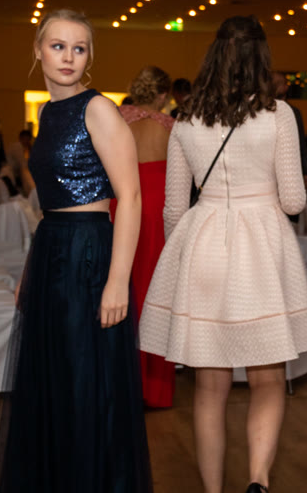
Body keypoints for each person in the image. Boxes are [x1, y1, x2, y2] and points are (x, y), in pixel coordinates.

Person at [139, 15, 307, 493]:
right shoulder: (278, 114)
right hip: (262, 248)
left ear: (213, 55)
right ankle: (258, 480)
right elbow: (293, 201)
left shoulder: (186, 119)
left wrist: (185, 252)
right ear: (262, 58)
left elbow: (174, 208)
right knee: (268, 379)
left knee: (209, 388)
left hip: (204, 242)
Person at [0, 9, 151, 492]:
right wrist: (30, 270)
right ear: (38, 50)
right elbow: (50, 203)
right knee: (53, 381)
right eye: (57, 46)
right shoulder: (46, 112)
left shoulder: (97, 109)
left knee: (84, 382)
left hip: (89, 254)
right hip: (52, 249)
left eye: (78, 49)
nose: (68, 57)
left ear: (89, 57)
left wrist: (117, 281)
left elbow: (131, 197)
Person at [110, 66, 177, 408]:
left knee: (122, 285)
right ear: (163, 95)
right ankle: (154, 388)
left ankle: (119, 383)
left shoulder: (117, 121)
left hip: (120, 204)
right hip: (157, 208)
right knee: (155, 291)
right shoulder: (170, 127)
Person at [272, 70, 307, 183]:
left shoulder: (294, 112)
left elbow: (301, 141)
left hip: (288, 167)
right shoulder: (262, 111)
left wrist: (306, 171)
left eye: (279, 83)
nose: (275, 86)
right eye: (273, 83)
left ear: (286, 87)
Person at [5, 129, 35, 196]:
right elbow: (22, 163)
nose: (27, 141)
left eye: (28, 140)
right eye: (25, 139)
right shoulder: (17, 146)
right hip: (10, 175)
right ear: (21, 138)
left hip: (14, 174)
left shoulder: (23, 148)